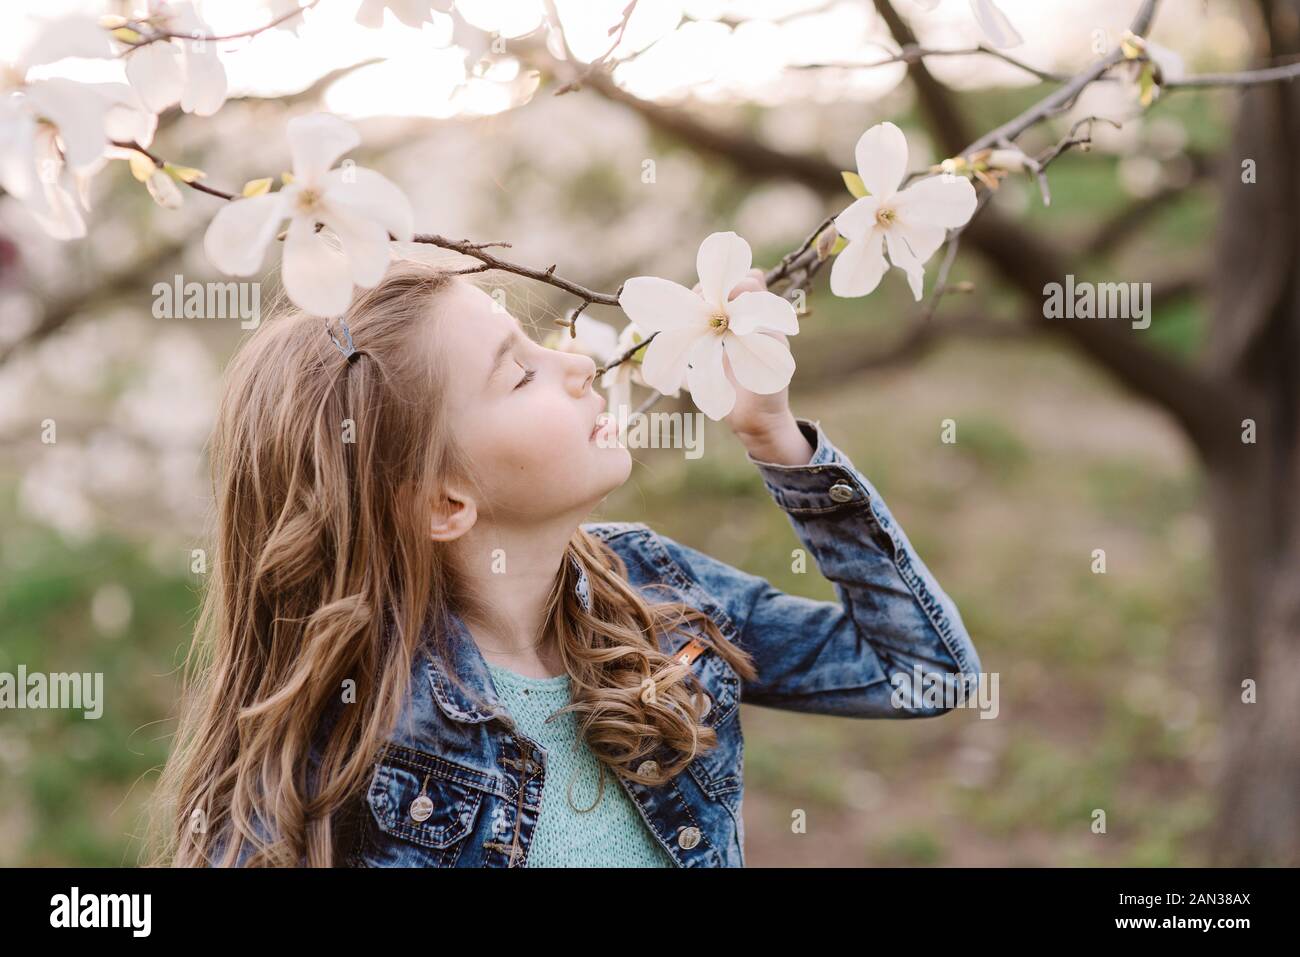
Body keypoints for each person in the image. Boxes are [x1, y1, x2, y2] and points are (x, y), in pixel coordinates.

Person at [149, 255, 981, 868]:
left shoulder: (658, 590)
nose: (578, 364)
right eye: (521, 374)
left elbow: (924, 671)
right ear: (444, 502)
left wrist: (778, 440)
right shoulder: (354, 742)